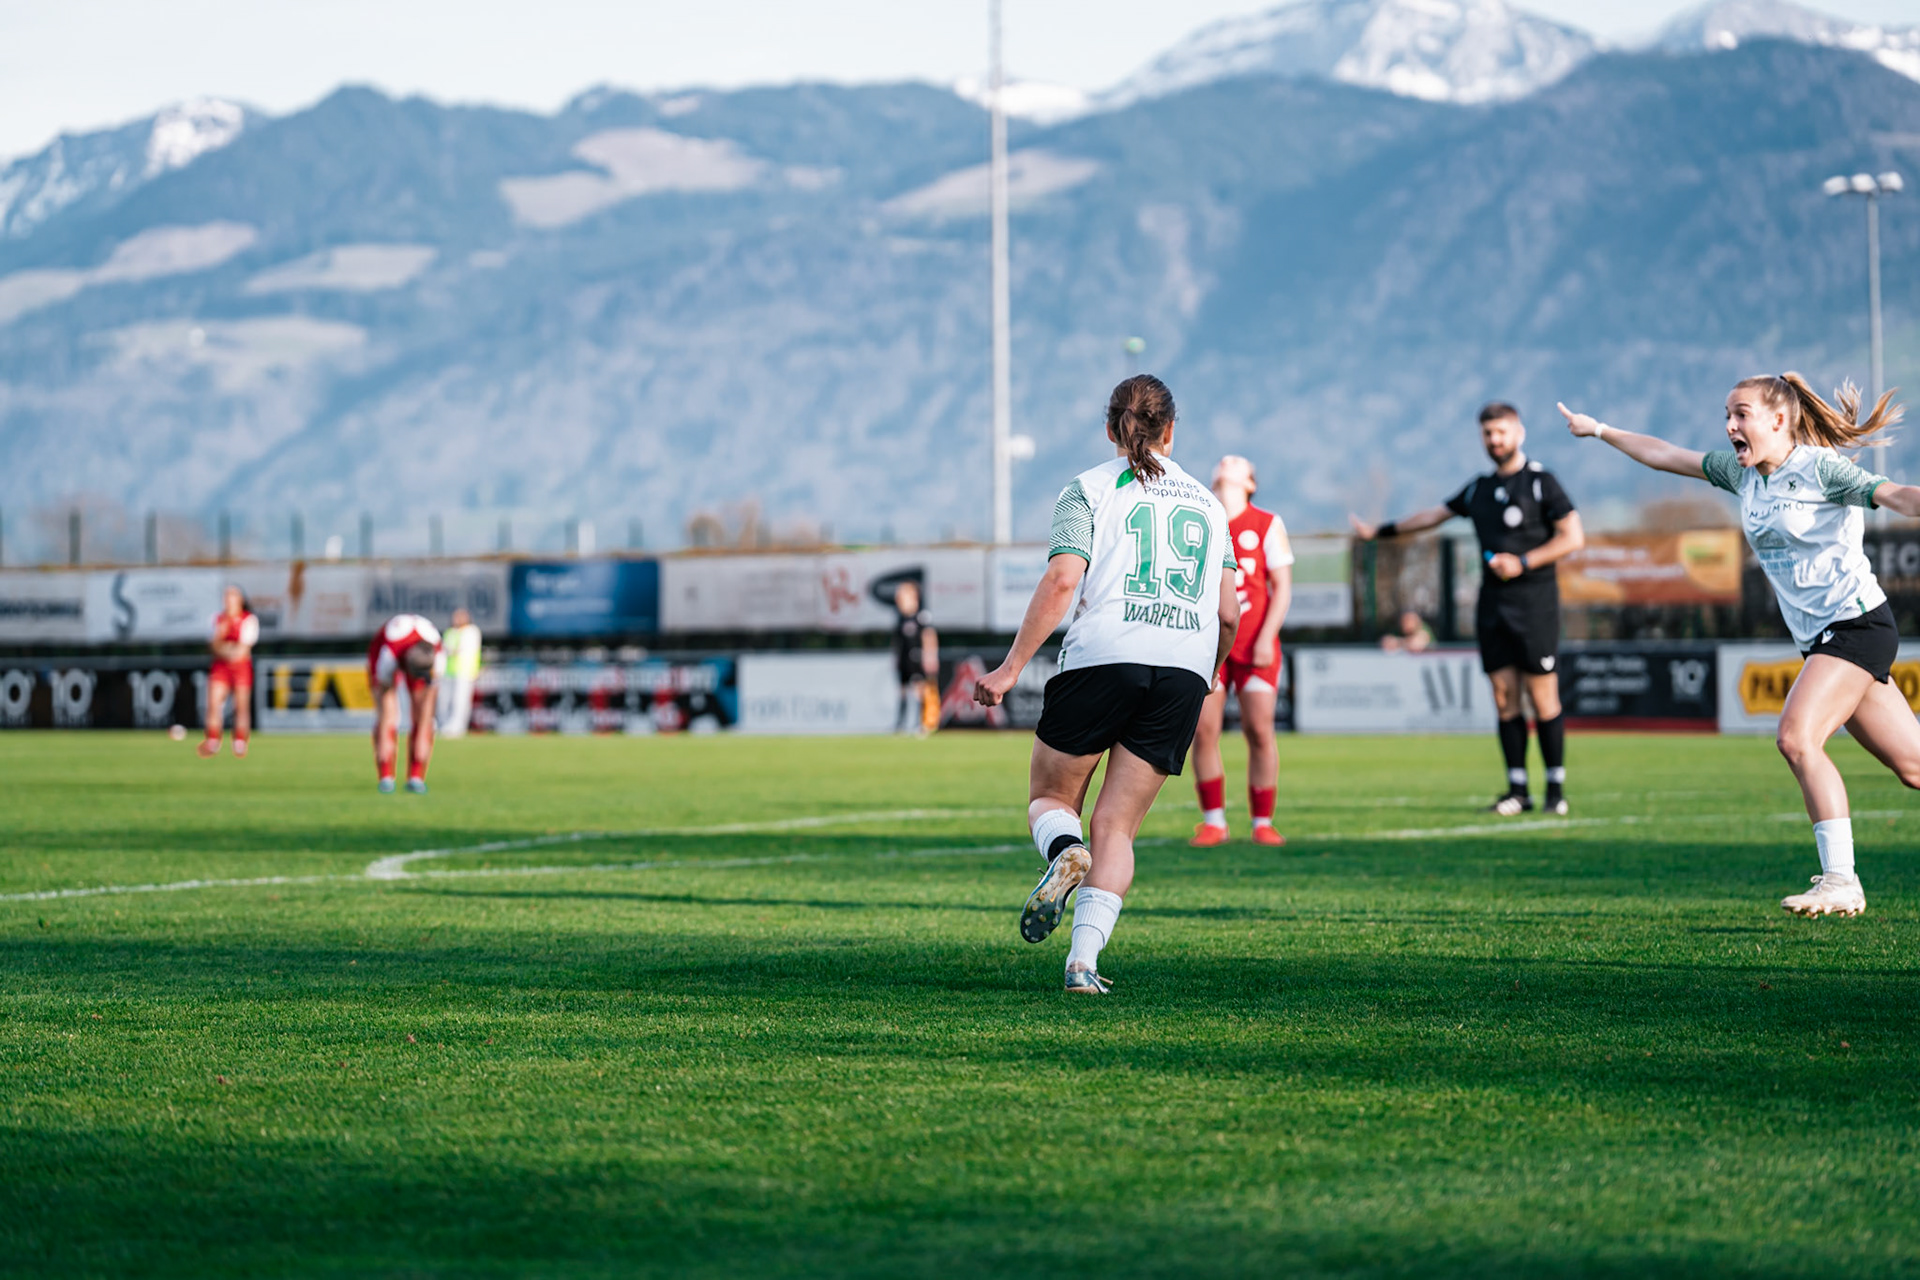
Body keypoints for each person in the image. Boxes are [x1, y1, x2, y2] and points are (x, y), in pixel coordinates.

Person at [1560, 374, 1912, 918]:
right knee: (1914, 768)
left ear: (1779, 420)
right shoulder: (1741, 475)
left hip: (1857, 624)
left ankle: (1842, 879)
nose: (1729, 426)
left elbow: (1892, 495)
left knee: (1796, 739)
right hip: (1823, 637)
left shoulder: (1820, 468)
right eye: (1727, 414)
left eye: (1741, 414)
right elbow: (1664, 455)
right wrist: (1600, 429)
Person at [974, 374, 1239, 995]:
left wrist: (1011, 667)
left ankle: (1064, 849)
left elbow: (1064, 582)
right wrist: (1211, 670)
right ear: (1171, 429)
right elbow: (1228, 612)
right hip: (1181, 668)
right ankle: (1083, 963)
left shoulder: (1086, 489)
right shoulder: (1210, 504)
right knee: (1117, 828)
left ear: (1110, 428)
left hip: (1103, 657)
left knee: (1050, 798)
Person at [1350, 402, 1586, 816]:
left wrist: (1524, 562)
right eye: (1488, 434)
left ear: (1519, 433)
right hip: (1493, 605)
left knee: (1542, 695)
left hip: (1535, 605)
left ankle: (1555, 789)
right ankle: (1517, 790)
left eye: (1501, 432)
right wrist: (1380, 532)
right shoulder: (1478, 488)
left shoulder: (1541, 482)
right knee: (1502, 697)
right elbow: (1433, 516)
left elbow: (1573, 537)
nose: (1494, 440)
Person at [1189, 455, 1294, 847]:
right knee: (1203, 729)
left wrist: (1267, 636)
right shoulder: (1201, 517)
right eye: (1222, 462)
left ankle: (1262, 822)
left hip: (1253, 644)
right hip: (1211, 642)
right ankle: (1214, 821)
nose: (1226, 463)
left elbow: (1282, 586)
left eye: (1237, 464)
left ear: (1250, 483)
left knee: (1260, 729)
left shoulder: (1267, 523)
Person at [367, 613, 444, 794]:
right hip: (383, 652)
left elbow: (427, 710)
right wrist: (386, 727)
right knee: (389, 716)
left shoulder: (437, 657)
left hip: (416, 655)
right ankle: (386, 776)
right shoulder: (388, 653)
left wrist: (424, 731)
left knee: (423, 716)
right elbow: (386, 709)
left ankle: (416, 776)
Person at [200, 585, 258, 758]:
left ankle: (239, 742)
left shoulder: (249, 619)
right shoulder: (217, 619)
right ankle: (212, 741)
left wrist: (225, 648)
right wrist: (226, 648)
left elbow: (243, 649)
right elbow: (213, 644)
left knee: (241, 706)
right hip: (221, 667)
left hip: (241, 667)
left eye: (232, 595)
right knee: (213, 703)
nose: (228, 599)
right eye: (226, 596)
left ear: (240, 599)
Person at [890, 581, 938, 735]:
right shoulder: (900, 618)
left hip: (917, 658)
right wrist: (896, 658)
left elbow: (929, 636)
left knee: (920, 690)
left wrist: (930, 656)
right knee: (902, 691)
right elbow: (897, 641)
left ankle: (922, 724)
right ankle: (901, 724)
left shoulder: (921, 617)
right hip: (904, 660)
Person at [438, 607, 482, 737]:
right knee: (444, 701)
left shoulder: (471, 631)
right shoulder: (450, 632)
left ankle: (458, 726)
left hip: (464, 671)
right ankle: (444, 724)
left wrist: (451, 650)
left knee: (460, 700)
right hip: (448, 672)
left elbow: (461, 650)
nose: (456, 619)